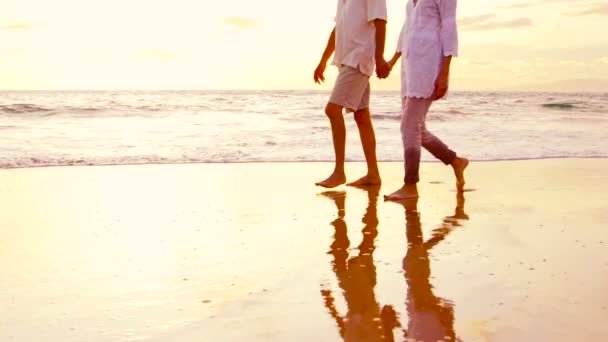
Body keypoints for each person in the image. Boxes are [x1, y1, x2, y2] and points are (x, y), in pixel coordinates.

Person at [384, 0, 469, 200]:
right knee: (417, 129)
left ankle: (410, 185)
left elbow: (449, 26)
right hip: (410, 67)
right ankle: (455, 161)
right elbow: (406, 29)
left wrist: (444, 73)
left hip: (429, 65)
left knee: (409, 126)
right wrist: (393, 61)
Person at [314, 0, 391, 188]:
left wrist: (380, 57)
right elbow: (337, 30)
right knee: (362, 116)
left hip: (358, 58)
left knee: (332, 110)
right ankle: (373, 174)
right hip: (345, 60)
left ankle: (339, 172)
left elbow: (380, 21)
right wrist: (323, 60)